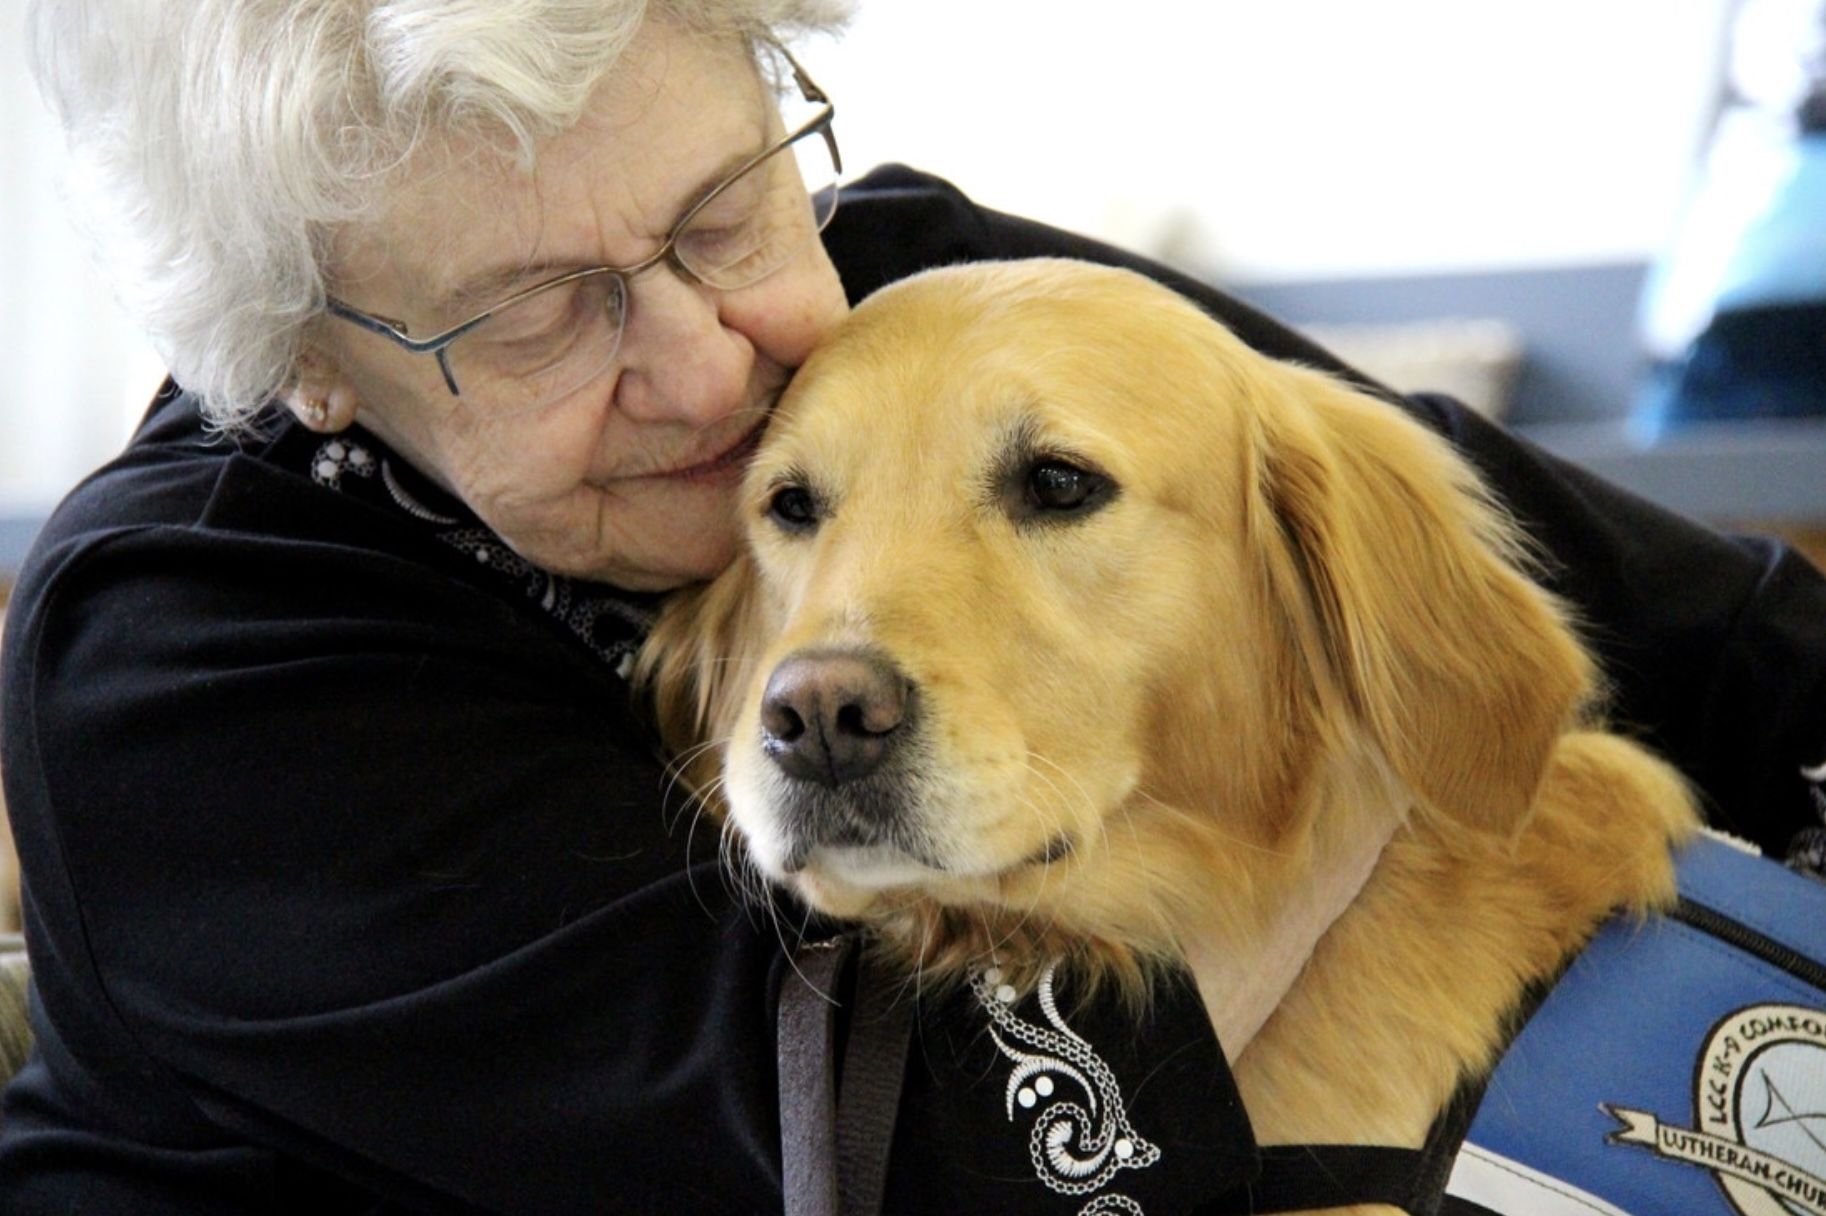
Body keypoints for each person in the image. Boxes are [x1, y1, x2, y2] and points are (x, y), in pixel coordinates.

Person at [2, 3, 1823, 1214]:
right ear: (311, 366)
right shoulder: (175, 664)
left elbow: (1677, 628)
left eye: (721, 208)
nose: (713, 364)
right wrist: (1334, 747)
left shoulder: (906, 288)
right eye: (537, 311)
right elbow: (944, 1145)